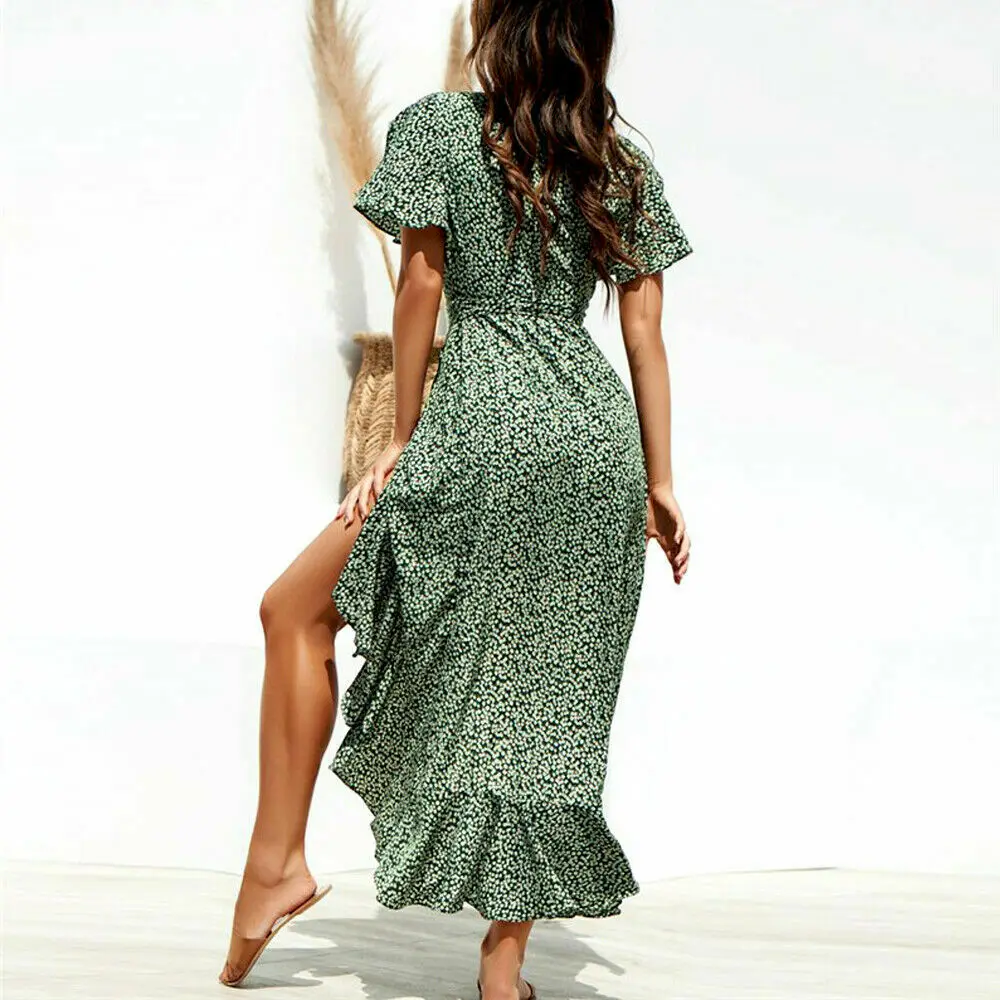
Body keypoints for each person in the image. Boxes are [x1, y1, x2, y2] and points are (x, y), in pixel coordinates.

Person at [218, 0, 693, 995]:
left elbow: (421, 289)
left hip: (476, 422)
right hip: (590, 441)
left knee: (293, 611)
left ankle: (276, 862)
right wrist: (659, 480)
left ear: (498, 22)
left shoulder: (440, 129)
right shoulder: (618, 164)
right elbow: (645, 337)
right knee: (545, 708)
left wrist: (400, 437)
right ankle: (501, 973)